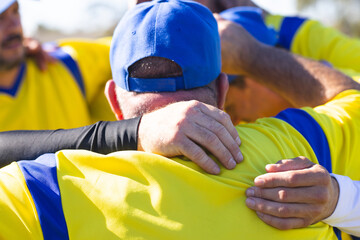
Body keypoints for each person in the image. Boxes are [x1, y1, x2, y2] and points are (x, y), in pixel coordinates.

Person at [1, 0, 360, 239]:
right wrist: (254, 55)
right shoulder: (300, 154)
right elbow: (352, 100)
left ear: (112, 99)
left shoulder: (48, 191)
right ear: (223, 90)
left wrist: (129, 134)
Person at [0, 0, 115, 131]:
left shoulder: (64, 63)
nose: (15, 26)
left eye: (15, 11)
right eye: (0, 18)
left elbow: (130, 49)